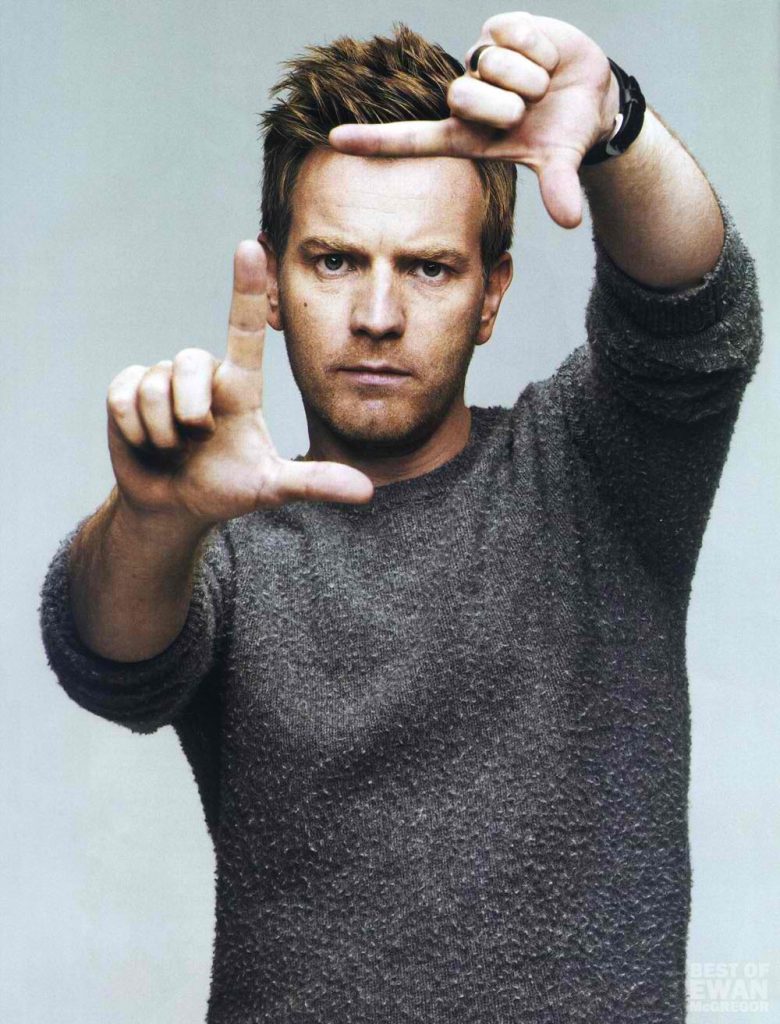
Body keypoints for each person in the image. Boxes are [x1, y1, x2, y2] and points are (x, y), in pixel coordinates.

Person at [39, 13, 762, 1023]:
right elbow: (109, 658)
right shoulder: (223, 537)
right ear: (274, 282)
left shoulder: (592, 474)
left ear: (491, 294)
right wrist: (154, 515)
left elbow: (699, 317)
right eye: (336, 260)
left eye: (428, 267)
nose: (377, 316)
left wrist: (616, 125)